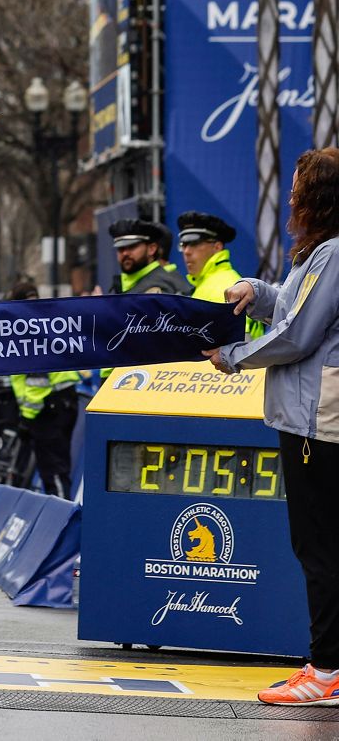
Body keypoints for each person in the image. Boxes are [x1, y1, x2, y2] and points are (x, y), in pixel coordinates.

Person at [204, 148, 339, 706]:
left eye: (299, 189)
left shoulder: (332, 253)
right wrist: (256, 292)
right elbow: (291, 308)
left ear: (320, 197)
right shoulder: (321, 253)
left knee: (319, 548)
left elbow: (297, 336)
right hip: (312, 417)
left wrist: (232, 356)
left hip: (316, 424)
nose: (290, 198)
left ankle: (326, 671)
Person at [6, 281, 79, 498]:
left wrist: (27, 418)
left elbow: (37, 384)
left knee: (53, 470)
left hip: (48, 410)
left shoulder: (28, 329)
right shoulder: (48, 321)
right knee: (60, 466)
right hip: (65, 401)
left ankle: (62, 520)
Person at [107, 218, 191, 295]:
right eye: (121, 249)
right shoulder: (123, 284)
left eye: (132, 246)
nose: (125, 253)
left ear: (151, 249)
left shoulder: (160, 285)